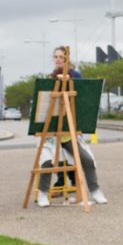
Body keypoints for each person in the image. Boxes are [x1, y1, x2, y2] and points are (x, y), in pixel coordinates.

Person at [37, 46, 108, 207]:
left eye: (61, 57)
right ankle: (42, 193)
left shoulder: (75, 76)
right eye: (55, 57)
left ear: (67, 58)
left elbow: (82, 100)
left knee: (86, 159)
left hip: (69, 130)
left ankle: (95, 190)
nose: (58, 59)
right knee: (47, 162)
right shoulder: (51, 77)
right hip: (52, 130)